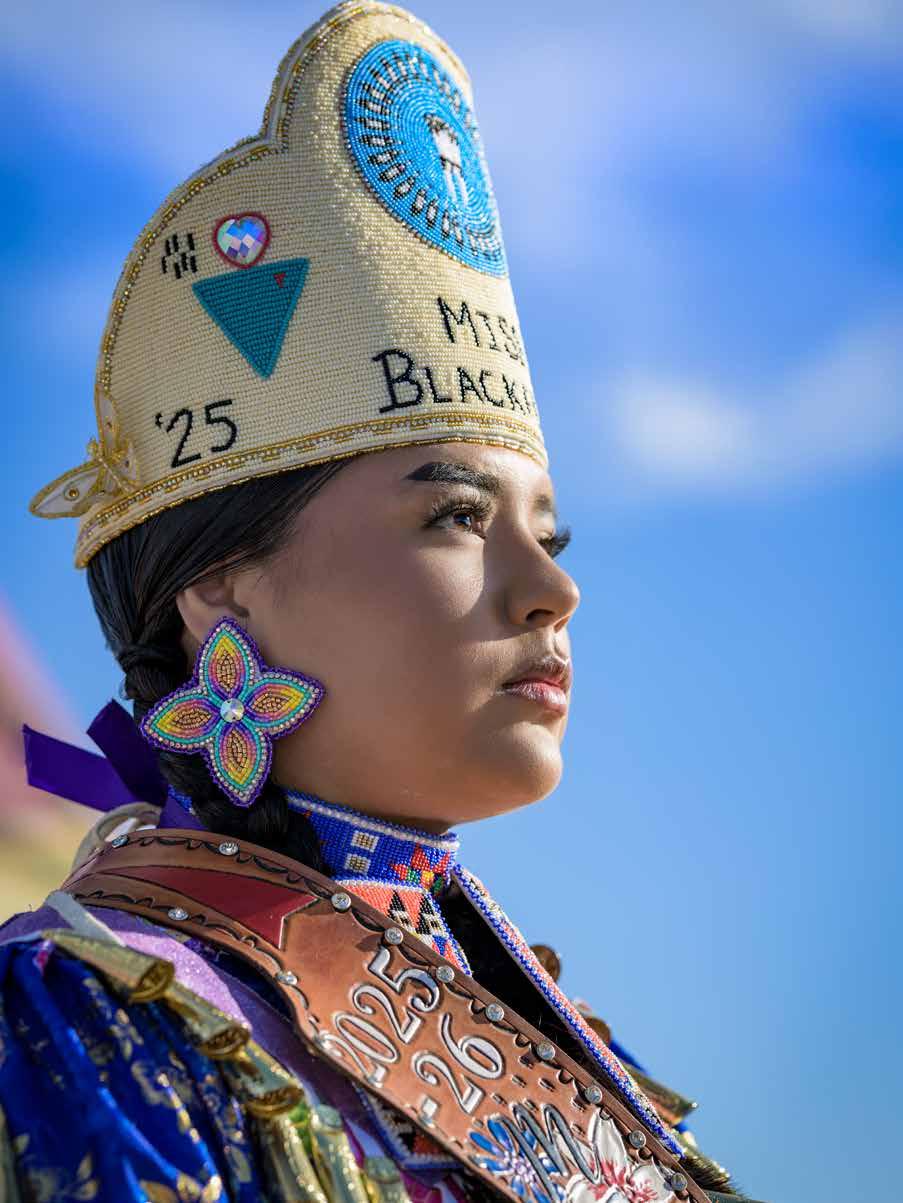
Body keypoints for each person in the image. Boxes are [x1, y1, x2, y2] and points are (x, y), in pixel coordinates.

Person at [1, 3, 766, 1201]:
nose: (552, 590)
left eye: (549, 535)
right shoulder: (84, 1024)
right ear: (216, 581)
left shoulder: (576, 1060)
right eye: (456, 515)